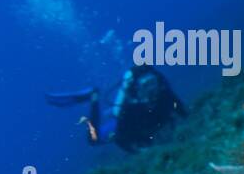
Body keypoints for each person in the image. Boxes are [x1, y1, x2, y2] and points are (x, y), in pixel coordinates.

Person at [45, 63, 185, 151]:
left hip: (143, 123)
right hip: (123, 122)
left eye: (152, 83)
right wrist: (141, 152)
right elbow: (122, 139)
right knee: (94, 139)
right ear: (138, 90)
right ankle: (93, 97)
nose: (151, 90)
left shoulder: (165, 94)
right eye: (145, 86)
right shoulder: (131, 110)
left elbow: (182, 111)